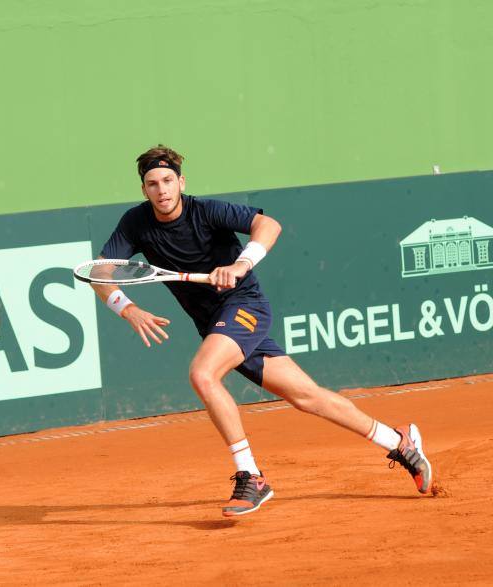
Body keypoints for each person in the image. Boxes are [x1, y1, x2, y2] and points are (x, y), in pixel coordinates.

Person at [91, 145, 433, 516]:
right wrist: (128, 309)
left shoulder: (206, 211)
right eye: (153, 184)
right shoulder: (135, 223)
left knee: (203, 375)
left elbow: (268, 225)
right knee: (307, 397)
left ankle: (251, 476)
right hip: (214, 324)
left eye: (168, 181)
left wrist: (240, 264)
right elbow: (100, 271)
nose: (162, 190)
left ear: (181, 182)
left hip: (244, 306)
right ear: (144, 190)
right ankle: (399, 441)